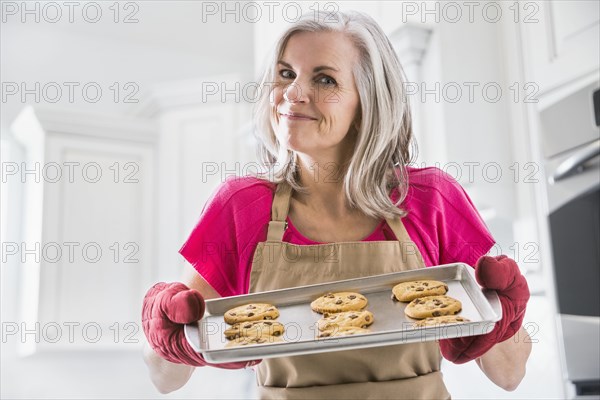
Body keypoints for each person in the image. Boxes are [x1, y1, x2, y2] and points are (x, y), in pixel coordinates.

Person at [142, 10, 532, 399]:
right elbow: (166, 379)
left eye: (324, 79)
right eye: (285, 74)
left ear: (368, 102)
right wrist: (162, 333)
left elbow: (508, 374)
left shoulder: (431, 199)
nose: (292, 94)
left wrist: (504, 316)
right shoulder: (241, 205)